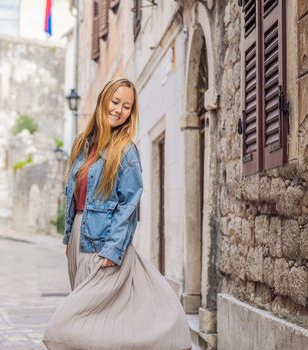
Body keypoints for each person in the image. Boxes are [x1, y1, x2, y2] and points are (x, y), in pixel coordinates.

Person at [43, 78, 191, 350]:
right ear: (103, 100)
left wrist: (113, 250)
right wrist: (68, 240)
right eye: (115, 102)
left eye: (127, 106)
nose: (119, 110)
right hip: (78, 240)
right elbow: (73, 196)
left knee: (72, 324)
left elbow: (130, 203)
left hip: (102, 243)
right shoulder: (81, 145)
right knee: (90, 322)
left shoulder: (126, 150)